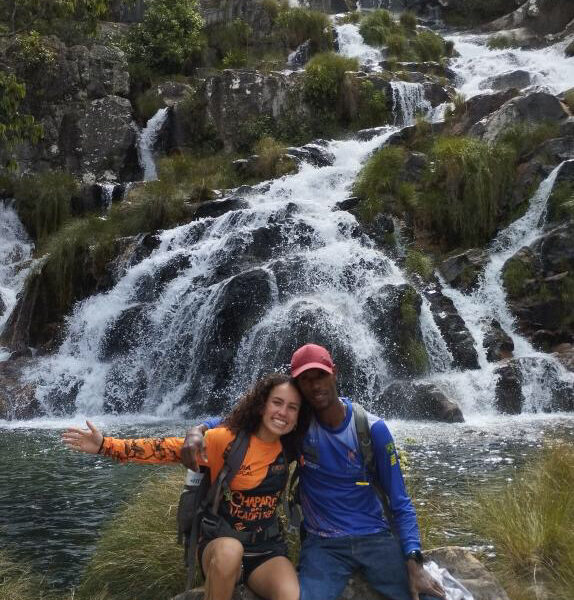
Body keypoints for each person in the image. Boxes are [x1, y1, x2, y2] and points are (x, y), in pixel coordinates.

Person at [183, 344, 446, 600]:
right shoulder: (297, 428)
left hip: (375, 538)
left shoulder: (371, 429)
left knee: (426, 594)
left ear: (335, 372)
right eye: (305, 379)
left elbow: (400, 501)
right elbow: (244, 420)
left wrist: (414, 560)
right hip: (323, 545)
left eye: (321, 375)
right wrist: (199, 429)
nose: (315, 384)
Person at [62, 373, 311, 600]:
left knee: (291, 595)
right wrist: (105, 445)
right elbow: (164, 449)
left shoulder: (290, 447)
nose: (283, 412)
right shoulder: (224, 441)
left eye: (292, 407)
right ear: (261, 405)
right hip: (219, 545)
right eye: (277, 403)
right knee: (229, 551)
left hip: (266, 551)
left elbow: (333, 413)